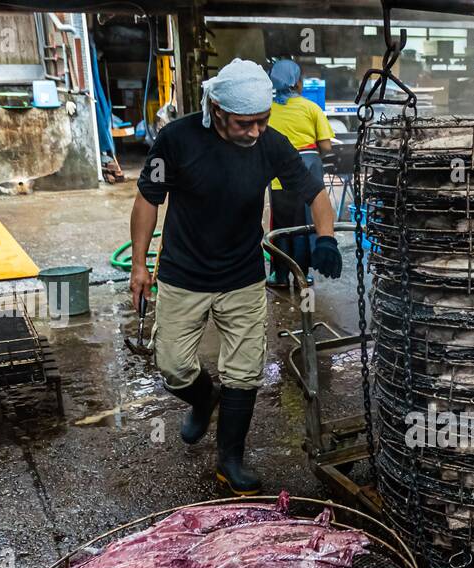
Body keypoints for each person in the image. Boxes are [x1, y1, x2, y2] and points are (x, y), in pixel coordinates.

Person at [130, 58, 343, 497]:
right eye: (244, 123)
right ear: (216, 109)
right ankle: (203, 398)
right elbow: (147, 201)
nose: (255, 131)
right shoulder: (176, 139)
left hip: (243, 274)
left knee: (244, 373)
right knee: (173, 366)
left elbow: (315, 192)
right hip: (182, 274)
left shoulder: (270, 144)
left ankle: (230, 460)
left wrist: (327, 238)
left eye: (262, 121)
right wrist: (138, 265)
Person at [265, 59, 335, 287]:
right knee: (306, 223)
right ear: (297, 82)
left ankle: (281, 275)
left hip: (278, 176)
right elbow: (325, 146)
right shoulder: (311, 108)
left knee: (282, 226)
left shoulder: (267, 110)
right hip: (308, 170)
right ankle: (303, 274)